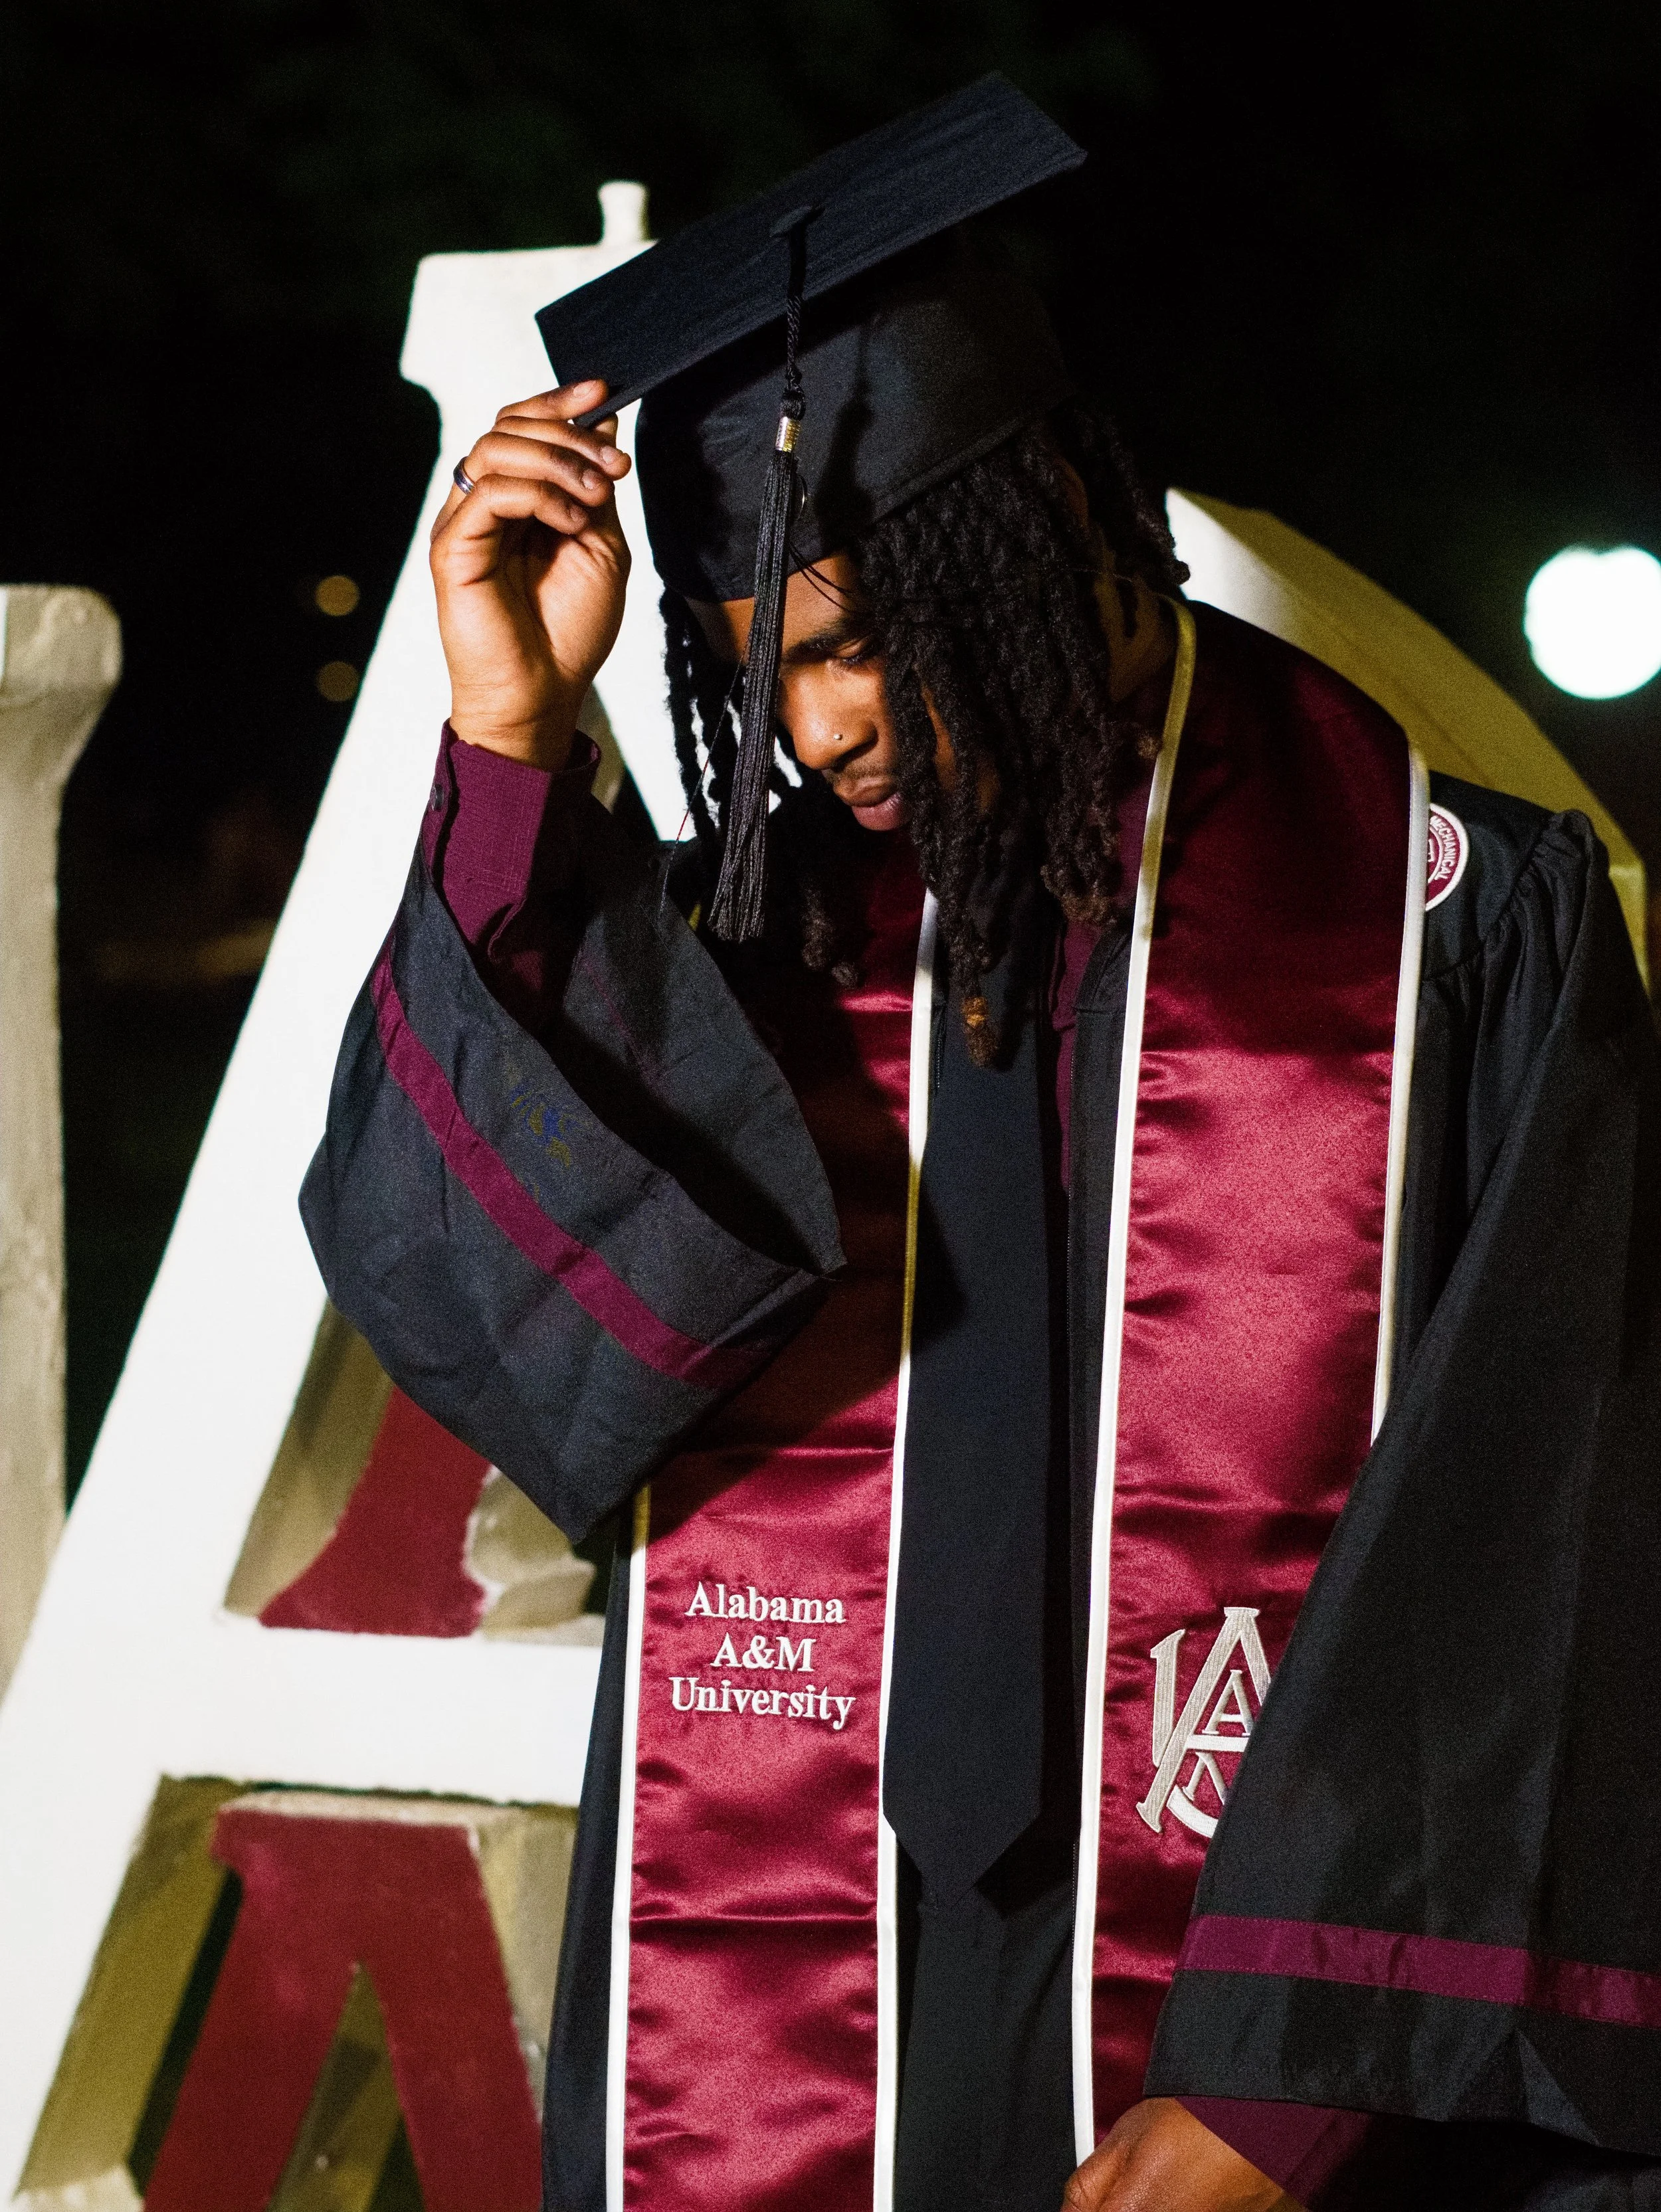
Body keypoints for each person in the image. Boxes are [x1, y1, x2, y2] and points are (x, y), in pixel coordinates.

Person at [303, 80, 1661, 2212]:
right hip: (788, 1964)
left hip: (1275, 2001)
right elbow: (477, 1311)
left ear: (1028, 543)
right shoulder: (748, 946)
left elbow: (1549, 1507)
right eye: (761, 672)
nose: (819, 731)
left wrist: (1282, 2089)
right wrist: (507, 738)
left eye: (852, 646)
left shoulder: (1455, 929)